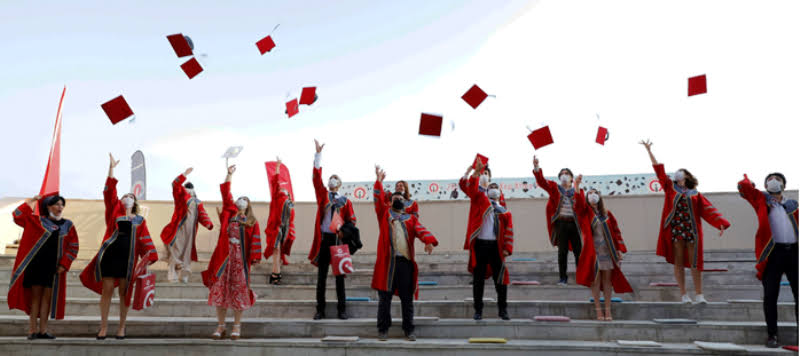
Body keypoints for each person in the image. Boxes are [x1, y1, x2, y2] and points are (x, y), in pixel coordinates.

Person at [640, 140, 729, 304]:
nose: (678, 174)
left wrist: (720, 223)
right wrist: (649, 151)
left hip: (692, 230)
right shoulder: (669, 187)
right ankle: (683, 294)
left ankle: (699, 294)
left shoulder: (695, 194)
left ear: (687, 176)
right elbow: (658, 170)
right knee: (678, 262)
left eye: (681, 172)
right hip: (676, 231)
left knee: (695, 262)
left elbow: (708, 210)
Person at [79, 153, 158, 340]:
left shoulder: (140, 220)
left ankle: (121, 327)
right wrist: (112, 168)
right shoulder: (113, 210)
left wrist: (150, 256)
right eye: (125, 196)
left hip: (127, 260)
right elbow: (109, 192)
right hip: (110, 257)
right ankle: (104, 327)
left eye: (131, 196)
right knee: (107, 290)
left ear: (135, 202)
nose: (127, 198)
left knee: (124, 292)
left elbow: (144, 240)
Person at [372, 166, 438, 341]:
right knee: (384, 298)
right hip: (388, 263)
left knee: (407, 299)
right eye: (394, 197)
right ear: (390, 201)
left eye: (400, 197)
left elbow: (421, 230)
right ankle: (383, 329)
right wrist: (378, 181)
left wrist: (429, 241)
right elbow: (378, 199)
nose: (397, 198)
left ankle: (409, 330)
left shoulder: (411, 219)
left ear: (405, 201)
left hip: (405, 263)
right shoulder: (384, 214)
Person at [737, 173, 798, 348]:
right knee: (770, 296)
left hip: (794, 253)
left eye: (778, 179)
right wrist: (754, 187)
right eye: (770, 179)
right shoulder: (761, 201)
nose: (774, 181)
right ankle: (772, 335)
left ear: (784, 185)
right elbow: (743, 187)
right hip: (773, 253)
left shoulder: (793, 205)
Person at [202, 165, 262, 340]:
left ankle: (237, 326)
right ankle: (221, 326)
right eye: (239, 198)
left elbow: (255, 240)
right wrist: (229, 175)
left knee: (238, 292)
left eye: (245, 199)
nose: (241, 200)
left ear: (248, 204)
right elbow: (226, 194)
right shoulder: (229, 214)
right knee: (220, 291)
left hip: (240, 261)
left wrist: (255, 257)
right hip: (224, 259)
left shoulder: (251, 221)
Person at [8, 194, 79, 339]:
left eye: (62, 205)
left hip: (53, 267)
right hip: (36, 265)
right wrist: (32, 200)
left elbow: (73, 246)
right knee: (35, 298)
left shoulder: (68, 225)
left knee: (47, 298)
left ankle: (43, 330)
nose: (60, 207)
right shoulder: (37, 221)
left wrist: (64, 264)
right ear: (48, 206)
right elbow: (17, 215)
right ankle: (32, 330)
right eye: (57, 204)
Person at [572, 175, 632, 321]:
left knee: (607, 281)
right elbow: (578, 204)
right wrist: (577, 185)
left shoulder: (607, 214)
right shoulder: (585, 213)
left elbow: (616, 232)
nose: (593, 195)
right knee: (596, 280)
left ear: (600, 196)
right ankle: (598, 310)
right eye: (590, 193)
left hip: (608, 250)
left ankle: (608, 310)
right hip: (593, 252)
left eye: (595, 193)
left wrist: (619, 250)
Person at [459, 159, 514, 321]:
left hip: (496, 247)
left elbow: (509, 229)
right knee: (478, 280)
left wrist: (507, 248)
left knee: (500, 280)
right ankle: (478, 310)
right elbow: (465, 186)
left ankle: (503, 310)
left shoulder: (502, 208)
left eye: (486, 174)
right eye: (482, 173)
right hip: (480, 245)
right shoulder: (478, 197)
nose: (484, 176)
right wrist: (473, 172)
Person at [309, 139, 356, 320]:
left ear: (340, 183)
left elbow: (352, 220)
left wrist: (346, 231)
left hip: (339, 240)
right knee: (321, 278)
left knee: (339, 278)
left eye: (335, 178)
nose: (332, 179)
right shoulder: (323, 194)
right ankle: (320, 309)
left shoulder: (346, 201)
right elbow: (315, 179)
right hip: (325, 239)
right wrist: (318, 156)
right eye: (330, 178)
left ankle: (341, 310)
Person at [160, 168, 214, 284]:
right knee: (176, 250)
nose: (189, 190)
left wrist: (208, 223)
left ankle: (183, 275)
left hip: (191, 231)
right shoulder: (180, 197)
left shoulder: (197, 202)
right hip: (178, 228)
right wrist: (184, 174)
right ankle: (172, 274)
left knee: (187, 252)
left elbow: (202, 214)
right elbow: (175, 184)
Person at [533, 155, 581, 285]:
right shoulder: (554, 188)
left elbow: (583, 207)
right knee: (562, 252)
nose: (564, 175)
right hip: (561, 223)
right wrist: (536, 167)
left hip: (575, 224)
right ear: (559, 177)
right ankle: (563, 278)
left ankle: (581, 278)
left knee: (579, 251)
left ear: (571, 178)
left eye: (567, 174)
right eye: (562, 174)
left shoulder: (577, 191)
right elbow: (542, 182)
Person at [264, 157, 296, 285]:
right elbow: (275, 183)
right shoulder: (276, 199)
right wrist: (277, 168)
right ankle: (275, 273)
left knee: (279, 251)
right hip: (275, 228)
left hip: (285, 230)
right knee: (276, 250)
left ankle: (276, 272)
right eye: (281, 189)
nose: (283, 190)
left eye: (285, 190)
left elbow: (291, 220)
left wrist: (290, 233)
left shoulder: (290, 204)